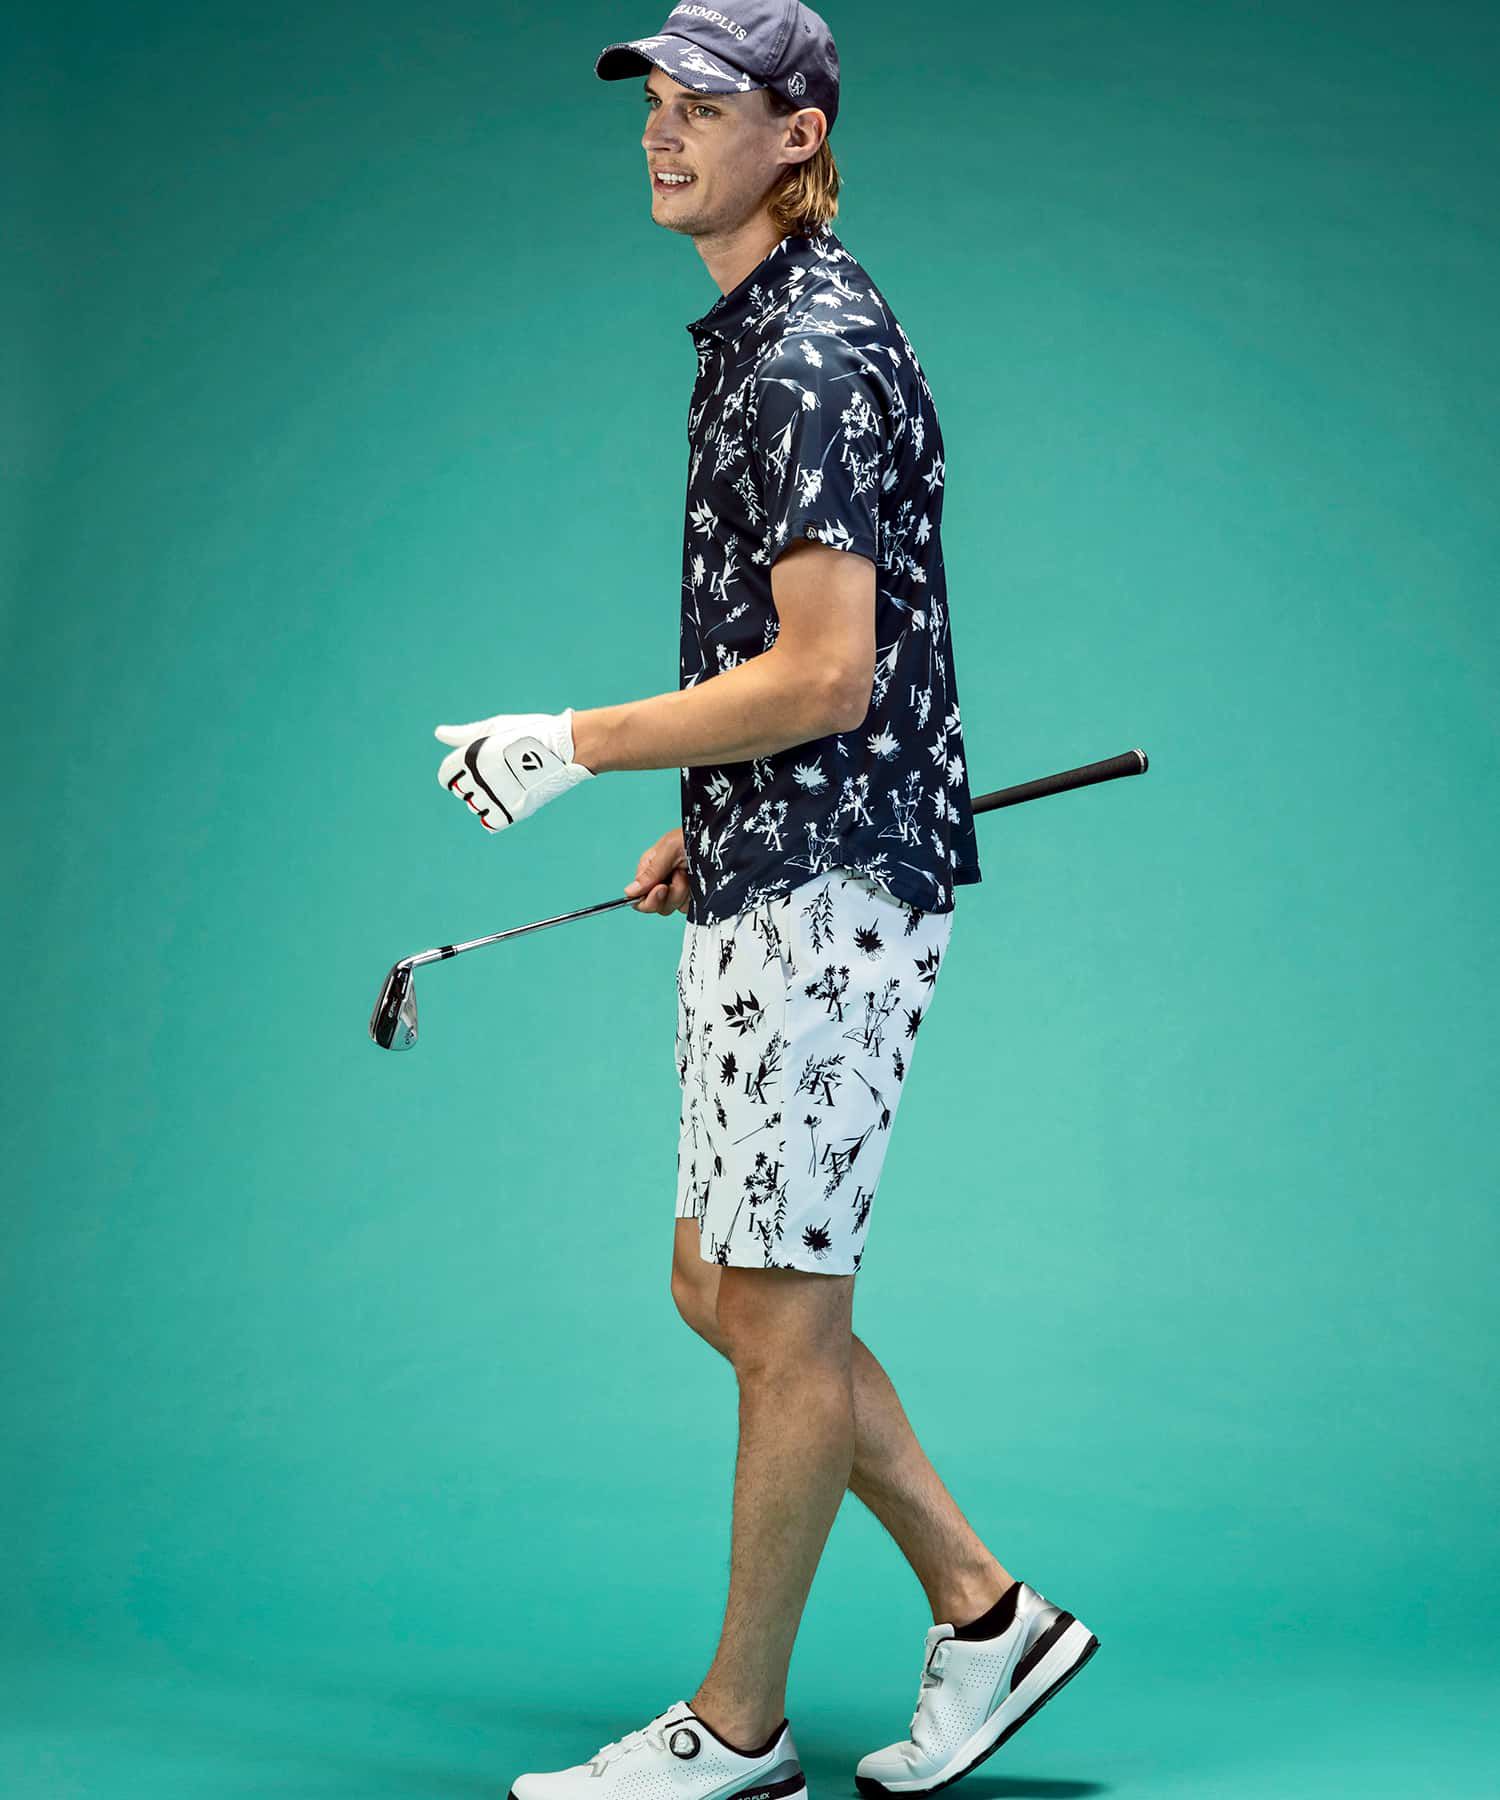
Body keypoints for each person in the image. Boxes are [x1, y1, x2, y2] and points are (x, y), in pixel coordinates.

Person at [430, 8, 1099, 1798]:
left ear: (797, 134)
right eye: (654, 105)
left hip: (835, 888)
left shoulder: (808, 350)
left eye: (704, 107)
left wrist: (572, 744)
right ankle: (989, 1614)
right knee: (717, 1284)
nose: (663, 135)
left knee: (783, 1316)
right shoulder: (764, 329)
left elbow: (825, 674)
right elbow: (798, 676)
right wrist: (709, 818)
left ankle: (738, 1733)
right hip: (781, 859)